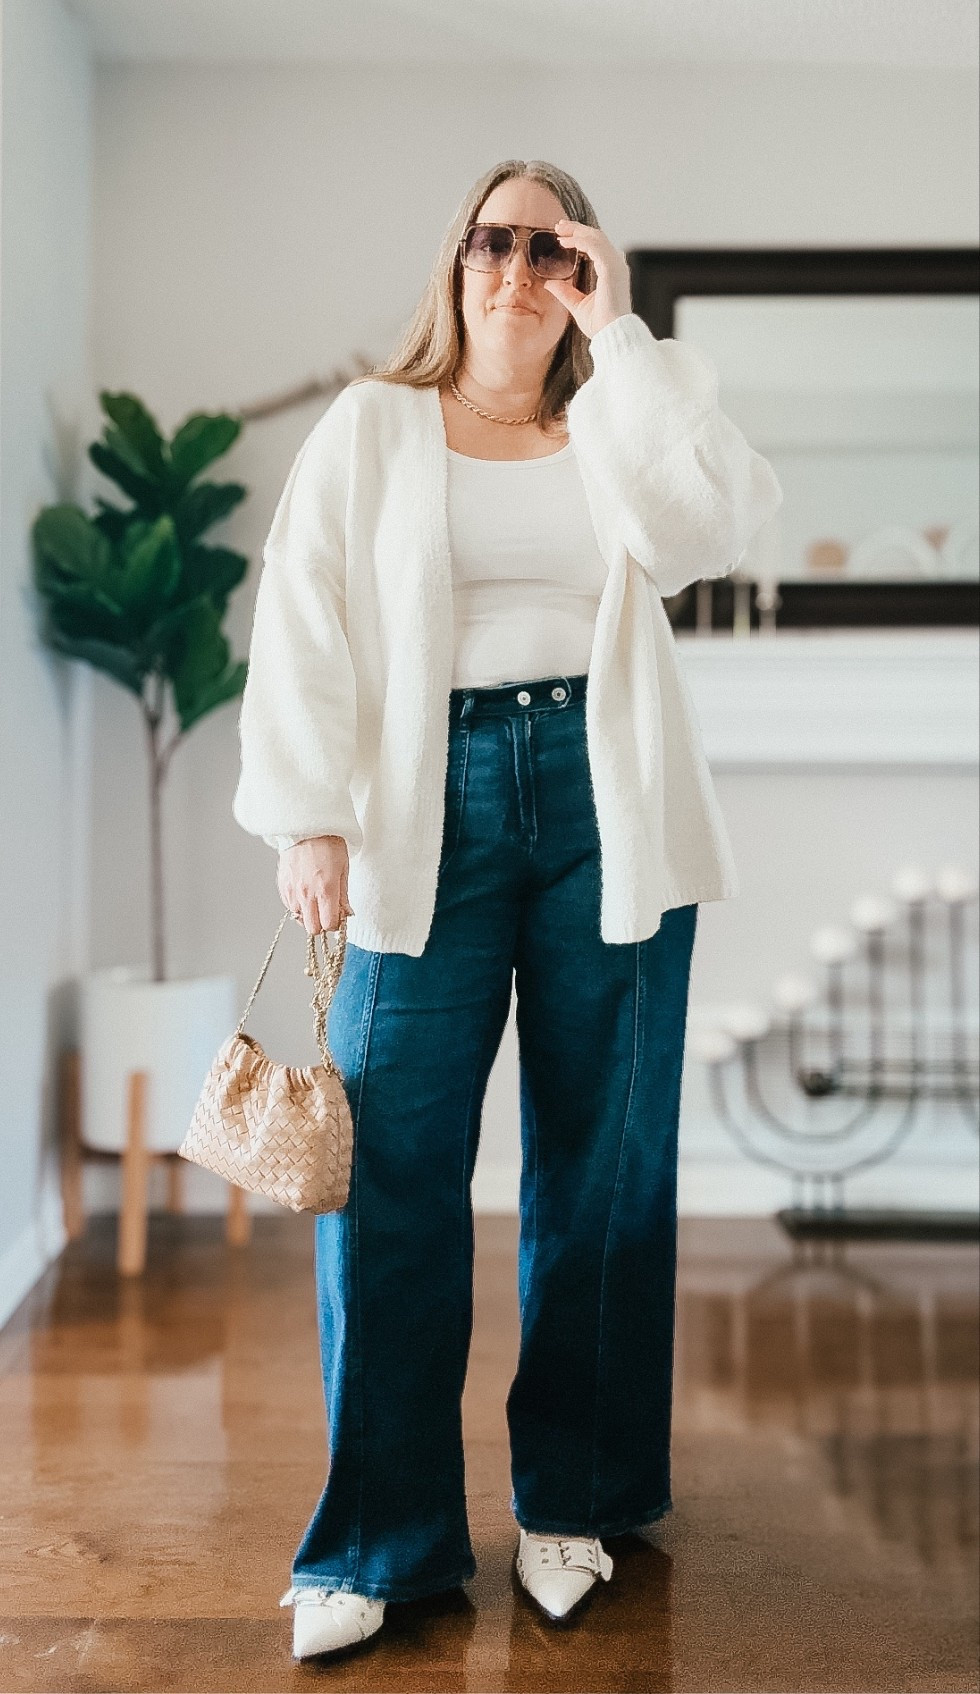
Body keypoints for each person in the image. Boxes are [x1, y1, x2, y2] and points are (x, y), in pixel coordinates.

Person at [232, 157, 782, 1661]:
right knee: (393, 1170)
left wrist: (627, 340)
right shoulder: (375, 424)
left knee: (604, 1167)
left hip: (610, 804)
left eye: (554, 247)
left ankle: (574, 1502)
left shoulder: (618, 419)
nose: (518, 268)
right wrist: (309, 814)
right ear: (456, 260)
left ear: (584, 268)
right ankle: (378, 1539)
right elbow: (301, 607)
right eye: (495, 240)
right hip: (428, 804)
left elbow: (711, 531)